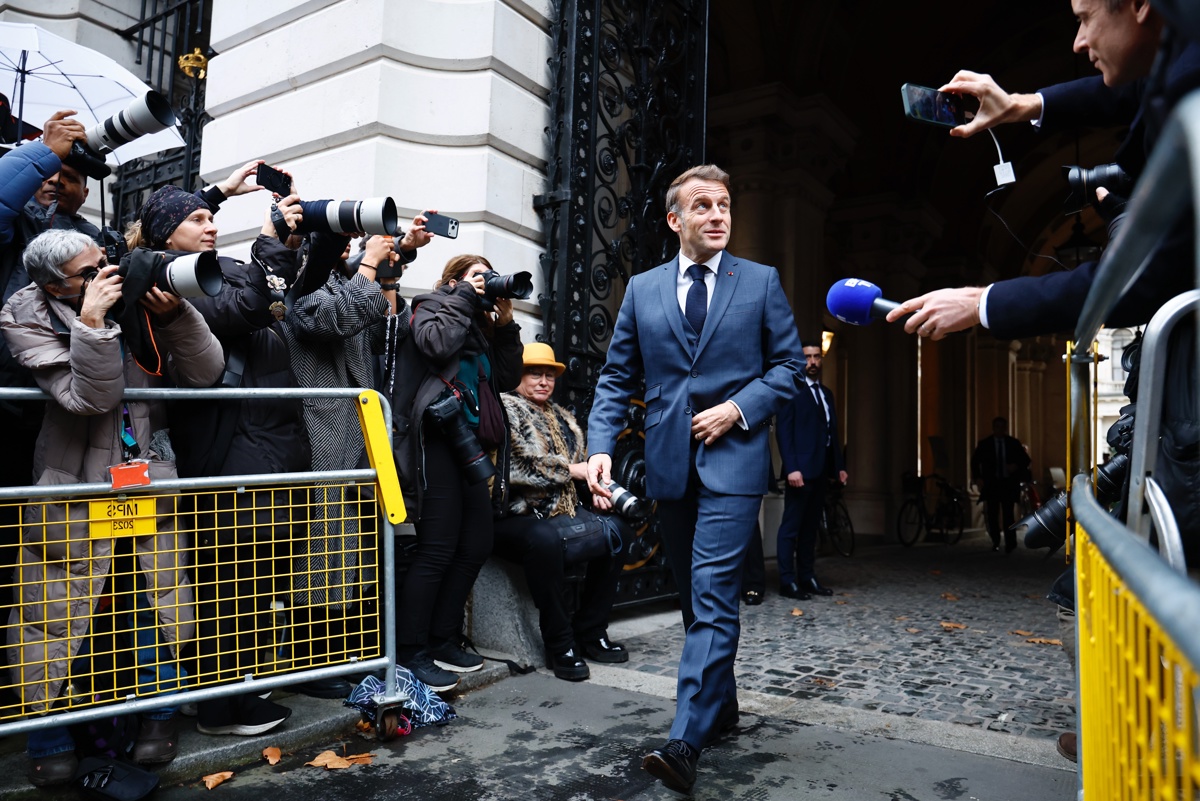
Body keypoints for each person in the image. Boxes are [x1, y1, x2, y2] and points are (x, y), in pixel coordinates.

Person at [585, 164, 804, 793]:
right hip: (668, 468)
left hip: (734, 465)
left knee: (711, 594)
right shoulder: (642, 289)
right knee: (692, 597)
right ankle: (723, 707)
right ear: (676, 219)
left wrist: (740, 408)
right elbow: (617, 379)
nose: (717, 215)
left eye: (726, 205)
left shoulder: (760, 282)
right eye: (703, 206)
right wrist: (601, 447)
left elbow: (790, 368)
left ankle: (685, 739)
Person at [1, 229, 224, 784]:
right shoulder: (23, 312)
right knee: (51, 613)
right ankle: (47, 738)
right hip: (72, 485)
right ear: (53, 283)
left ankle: (158, 722)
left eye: (107, 263)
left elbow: (205, 373)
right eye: (88, 272)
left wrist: (175, 317)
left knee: (160, 605)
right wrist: (93, 323)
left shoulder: (134, 298)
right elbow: (87, 398)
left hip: (144, 479)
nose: (106, 276)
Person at [886, 0, 1200, 341]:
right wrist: (1018, 106)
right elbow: (1136, 88)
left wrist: (980, 303)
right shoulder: (1181, 55)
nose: (1078, 42)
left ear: (1139, 6)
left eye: (1084, 19)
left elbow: (1150, 279)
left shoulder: (1191, 89)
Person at [127, 182, 305, 734]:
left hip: (268, 441)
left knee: (258, 577)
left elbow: (277, 297)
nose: (211, 224)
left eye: (212, 215)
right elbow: (247, 309)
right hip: (229, 444)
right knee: (231, 582)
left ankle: (236, 695)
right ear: (164, 236)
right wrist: (269, 241)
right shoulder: (173, 279)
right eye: (198, 218)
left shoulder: (220, 267)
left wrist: (297, 240)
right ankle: (224, 705)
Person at [281, 221, 431, 698]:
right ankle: (310, 666)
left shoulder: (340, 280)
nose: (350, 246)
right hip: (321, 427)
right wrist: (369, 262)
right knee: (320, 550)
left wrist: (396, 257)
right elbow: (330, 319)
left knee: (348, 550)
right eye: (341, 240)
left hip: (356, 428)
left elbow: (379, 319)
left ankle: (337, 655)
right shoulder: (301, 281)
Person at [388, 254, 523, 692]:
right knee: (437, 548)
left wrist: (503, 324)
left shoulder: (480, 328)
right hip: (436, 441)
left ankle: (443, 638)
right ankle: (412, 652)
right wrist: (463, 297)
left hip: (469, 444)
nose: (486, 283)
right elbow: (434, 347)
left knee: (476, 542)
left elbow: (506, 377)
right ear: (453, 282)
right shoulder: (430, 307)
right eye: (477, 277)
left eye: (489, 276)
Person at [493, 342, 631, 681]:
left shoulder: (563, 417)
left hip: (563, 510)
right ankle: (560, 642)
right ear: (518, 375)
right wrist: (574, 472)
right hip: (516, 514)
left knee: (618, 529)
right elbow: (516, 466)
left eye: (549, 374)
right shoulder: (504, 407)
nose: (543, 381)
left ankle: (591, 631)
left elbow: (582, 469)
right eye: (534, 373)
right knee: (543, 540)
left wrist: (595, 491)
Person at [774, 341, 849, 599]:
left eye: (817, 356)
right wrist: (792, 468)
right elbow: (784, 433)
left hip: (821, 472)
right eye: (808, 357)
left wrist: (839, 467)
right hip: (799, 474)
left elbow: (832, 434)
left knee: (810, 529)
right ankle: (787, 581)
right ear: (800, 360)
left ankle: (807, 577)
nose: (813, 362)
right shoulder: (791, 391)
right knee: (791, 529)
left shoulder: (827, 394)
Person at [971, 417, 1032, 553]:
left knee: (1008, 514)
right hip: (991, 483)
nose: (1000, 430)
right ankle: (996, 540)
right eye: (997, 427)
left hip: (1008, 483)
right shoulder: (985, 444)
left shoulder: (1013, 443)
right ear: (993, 428)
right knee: (992, 514)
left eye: (1002, 427)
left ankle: (1010, 543)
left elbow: (1026, 460)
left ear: (1005, 428)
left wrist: (1015, 466)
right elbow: (975, 462)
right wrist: (978, 478)